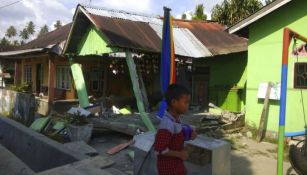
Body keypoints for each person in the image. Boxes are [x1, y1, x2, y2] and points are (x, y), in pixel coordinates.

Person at [154, 84, 197, 175]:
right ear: (174, 102)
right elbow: (159, 150)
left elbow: (177, 135)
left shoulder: (176, 119)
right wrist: (180, 154)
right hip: (168, 168)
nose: (187, 105)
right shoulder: (166, 125)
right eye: (185, 102)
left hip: (177, 165)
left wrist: (189, 135)